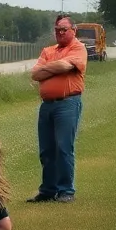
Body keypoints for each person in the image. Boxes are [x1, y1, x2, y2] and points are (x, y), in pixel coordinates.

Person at [27, 14, 87, 203]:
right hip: (47, 105)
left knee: (63, 148)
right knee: (46, 149)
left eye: (64, 29)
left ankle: (66, 190)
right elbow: (35, 74)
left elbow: (64, 65)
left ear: (73, 30)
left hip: (67, 103)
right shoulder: (48, 50)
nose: (60, 33)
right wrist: (58, 67)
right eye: (57, 30)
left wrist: (49, 68)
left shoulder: (78, 48)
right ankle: (48, 190)